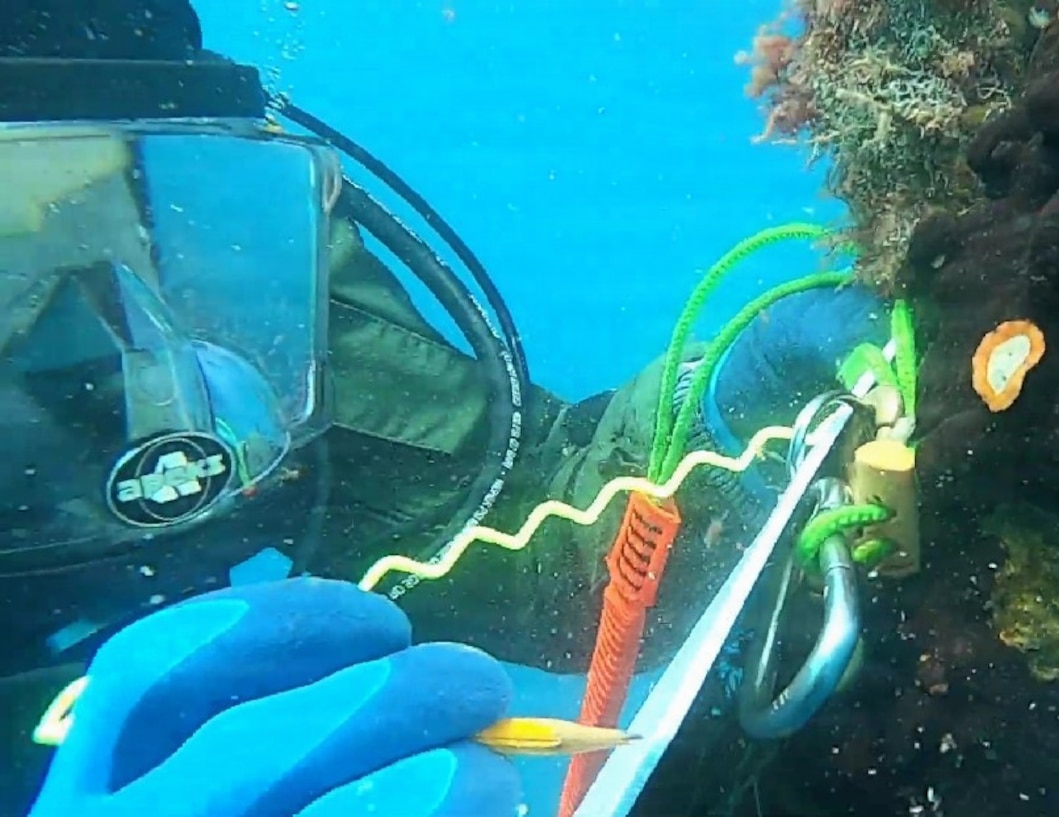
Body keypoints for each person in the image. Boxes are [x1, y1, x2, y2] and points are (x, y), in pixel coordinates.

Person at [0, 1, 891, 815]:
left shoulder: (212, 235)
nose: (101, 300)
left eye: (96, 197)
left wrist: (732, 398)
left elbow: (519, 544)